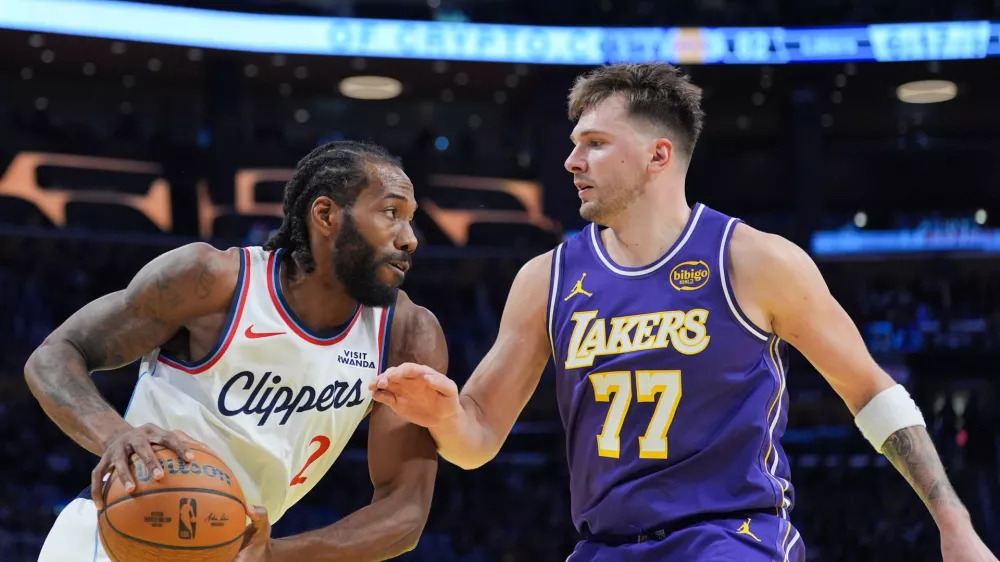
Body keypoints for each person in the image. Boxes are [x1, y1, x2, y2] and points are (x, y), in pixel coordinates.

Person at [370, 63, 998, 562]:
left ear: (658, 156)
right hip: (602, 546)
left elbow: (873, 394)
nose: (571, 162)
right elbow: (476, 440)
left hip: (732, 539)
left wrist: (956, 526)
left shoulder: (753, 260)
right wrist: (448, 414)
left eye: (594, 143)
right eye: (573, 144)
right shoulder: (547, 278)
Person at [27, 141, 448, 561]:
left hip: (230, 550)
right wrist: (115, 436)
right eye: (391, 213)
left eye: (410, 220)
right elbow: (55, 355)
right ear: (325, 215)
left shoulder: (406, 335)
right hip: (113, 536)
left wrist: (273, 556)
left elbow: (405, 512)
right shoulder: (211, 281)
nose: (409, 239)